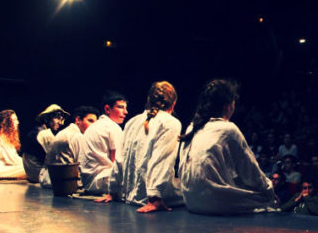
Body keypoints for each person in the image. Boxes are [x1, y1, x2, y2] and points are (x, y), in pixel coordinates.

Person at [179, 79, 276, 214]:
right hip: (212, 202)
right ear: (228, 106)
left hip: (190, 201)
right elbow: (251, 173)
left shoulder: (191, 127)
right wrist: (269, 189)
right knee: (269, 201)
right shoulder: (228, 129)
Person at [96, 81, 183, 212]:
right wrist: (154, 197)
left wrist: (113, 191)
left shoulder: (132, 122)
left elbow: (120, 158)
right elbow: (161, 159)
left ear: (149, 101)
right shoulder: (171, 123)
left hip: (130, 196)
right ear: (173, 104)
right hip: (153, 197)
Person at [79, 91, 128, 194]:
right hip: (101, 181)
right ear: (107, 109)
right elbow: (117, 162)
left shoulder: (94, 126)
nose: (125, 112)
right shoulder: (112, 127)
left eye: (125, 108)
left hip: (88, 182)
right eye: (120, 107)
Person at [39, 106, 99, 188]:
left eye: (95, 123)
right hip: (64, 183)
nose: (93, 126)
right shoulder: (77, 136)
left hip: (47, 179)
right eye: (90, 121)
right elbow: (82, 167)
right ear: (78, 120)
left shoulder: (65, 132)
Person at [22, 104, 69, 182]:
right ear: (47, 118)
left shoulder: (36, 130)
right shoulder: (44, 134)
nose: (60, 123)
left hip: (32, 172)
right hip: (38, 173)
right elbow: (54, 159)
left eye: (61, 120)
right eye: (57, 119)